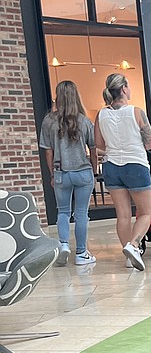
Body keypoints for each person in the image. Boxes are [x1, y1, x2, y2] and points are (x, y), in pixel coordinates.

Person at [94, 73, 151, 271]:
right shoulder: (136, 112)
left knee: (122, 215)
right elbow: (150, 142)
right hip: (135, 165)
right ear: (123, 89)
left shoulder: (100, 115)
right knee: (146, 212)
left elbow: (99, 144)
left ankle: (129, 256)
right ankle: (134, 245)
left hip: (112, 166)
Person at [39, 81, 98, 266]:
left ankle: (63, 245)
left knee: (63, 212)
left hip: (61, 173)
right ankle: (81, 253)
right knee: (81, 214)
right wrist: (94, 171)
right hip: (83, 172)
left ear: (57, 96)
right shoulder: (84, 120)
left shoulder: (49, 121)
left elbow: (48, 151)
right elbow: (94, 148)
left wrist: (52, 174)